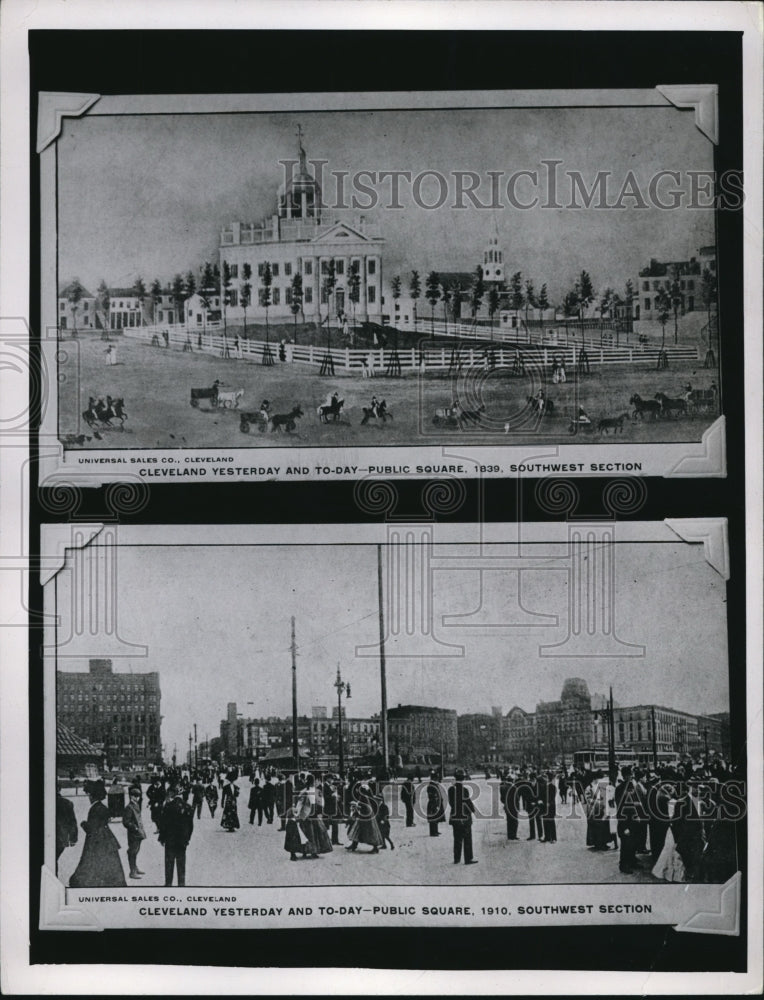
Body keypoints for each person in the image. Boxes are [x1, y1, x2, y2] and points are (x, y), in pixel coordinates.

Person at [69, 780, 126, 887]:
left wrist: (83, 824)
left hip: (96, 841)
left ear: (92, 796)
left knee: (91, 864)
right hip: (106, 838)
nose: (89, 798)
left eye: (89, 795)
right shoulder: (102, 807)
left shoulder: (95, 809)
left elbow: (91, 829)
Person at [158, 786, 194, 887]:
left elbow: (163, 824)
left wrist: (162, 838)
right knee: (181, 863)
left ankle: (168, 883)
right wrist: (187, 839)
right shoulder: (188, 807)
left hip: (170, 840)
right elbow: (191, 826)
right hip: (182, 841)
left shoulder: (168, 806)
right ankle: (181, 883)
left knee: (169, 862)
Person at [448, 769, 477, 865]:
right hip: (464, 817)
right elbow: (467, 803)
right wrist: (473, 810)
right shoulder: (464, 790)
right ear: (463, 778)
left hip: (455, 816)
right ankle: (468, 859)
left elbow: (451, 803)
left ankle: (457, 858)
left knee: (457, 838)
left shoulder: (451, 789)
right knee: (467, 838)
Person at [345, 783, 383, 853]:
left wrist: (356, 805)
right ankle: (354, 845)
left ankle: (375, 847)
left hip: (366, 817)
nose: (356, 790)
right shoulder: (364, 796)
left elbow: (365, 807)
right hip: (365, 816)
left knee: (368, 831)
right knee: (358, 830)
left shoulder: (363, 797)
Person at [122, 786, 147, 879]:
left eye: (138, 796)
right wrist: (135, 828)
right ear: (131, 796)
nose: (137, 798)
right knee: (132, 852)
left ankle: (135, 868)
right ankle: (132, 872)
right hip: (133, 834)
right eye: (135, 796)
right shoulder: (129, 807)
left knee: (136, 851)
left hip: (138, 833)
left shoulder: (135, 805)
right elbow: (126, 822)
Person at [56, 788, 78, 867]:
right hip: (62, 839)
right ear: (59, 789)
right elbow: (72, 822)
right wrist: (73, 838)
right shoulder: (67, 803)